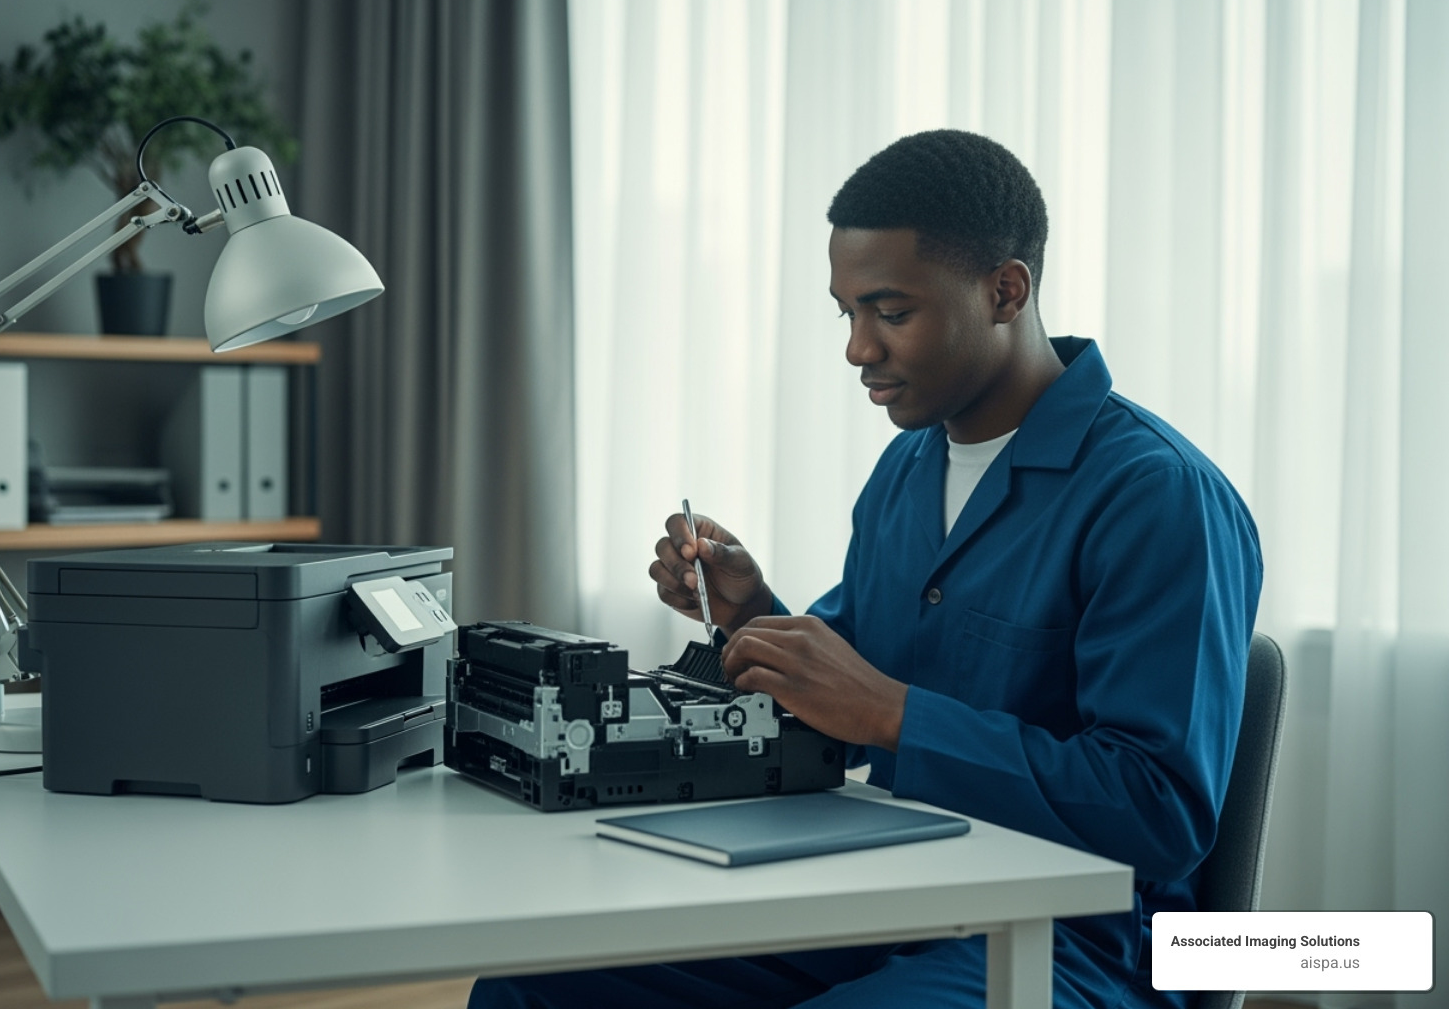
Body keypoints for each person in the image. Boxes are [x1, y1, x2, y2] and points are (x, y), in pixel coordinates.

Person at [468, 129, 1262, 1009]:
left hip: (1081, 939)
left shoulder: (1158, 497)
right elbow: (847, 701)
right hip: (890, 889)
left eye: (890, 312)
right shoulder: (908, 469)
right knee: (537, 986)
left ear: (1005, 290)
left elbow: (1158, 813)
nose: (857, 349)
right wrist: (751, 614)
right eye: (846, 313)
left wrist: (894, 715)